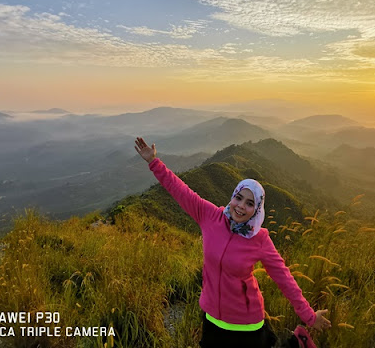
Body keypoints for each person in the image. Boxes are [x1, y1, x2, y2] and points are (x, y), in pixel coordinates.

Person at [134, 137, 331, 348]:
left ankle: (297, 342)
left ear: (256, 210)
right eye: (238, 198)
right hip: (212, 319)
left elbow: (285, 279)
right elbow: (179, 190)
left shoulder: (259, 238)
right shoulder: (210, 216)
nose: (240, 206)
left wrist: (309, 316)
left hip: (246, 324)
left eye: (249, 203)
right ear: (232, 196)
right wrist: (154, 162)